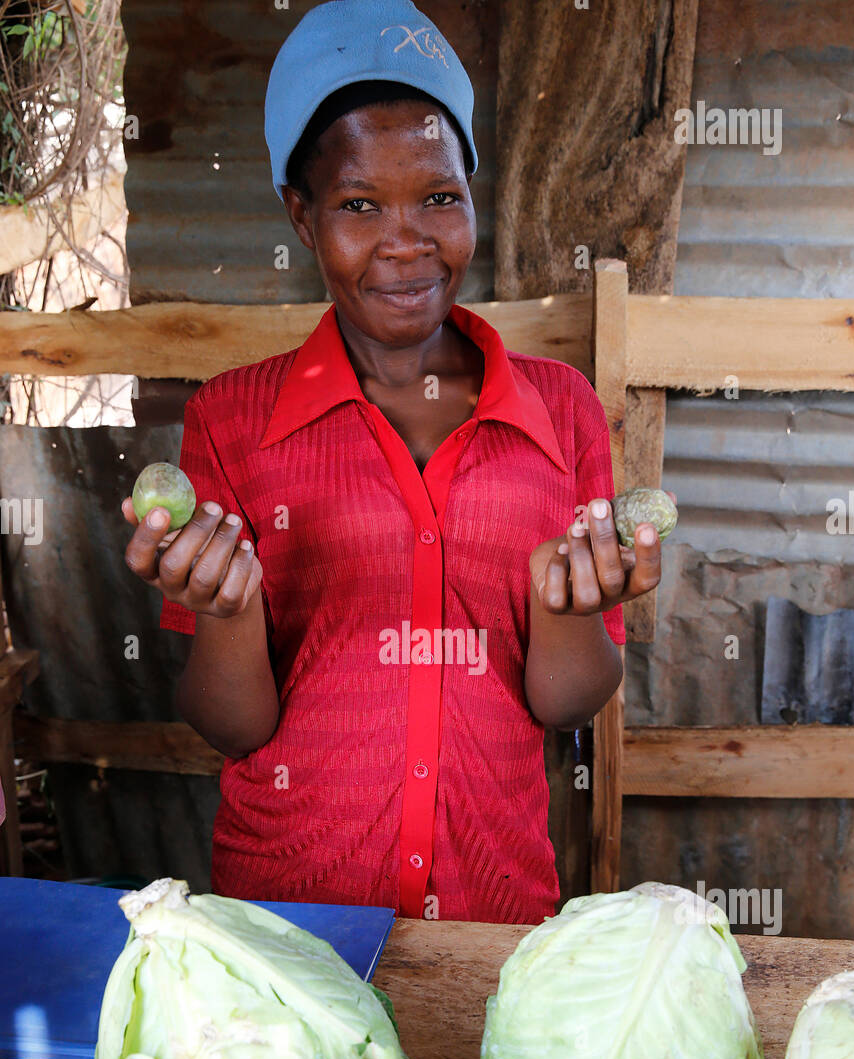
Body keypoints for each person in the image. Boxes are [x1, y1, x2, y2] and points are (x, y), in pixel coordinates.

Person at [121, 0, 665, 925]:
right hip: (290, 920)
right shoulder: (233, 419)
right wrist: (228, 614)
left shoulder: (560, 411)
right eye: (359, 205)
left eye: (440, 198)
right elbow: (232, 726)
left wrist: (572, 612)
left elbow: (569, 703)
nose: (406, 242)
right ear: (302, 217)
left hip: (494, 913)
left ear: (471, 201)